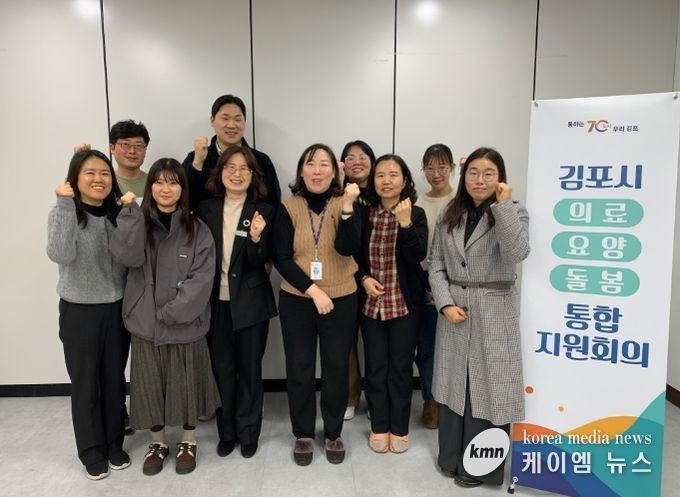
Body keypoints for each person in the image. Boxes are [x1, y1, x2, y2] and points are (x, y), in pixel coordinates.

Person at [110, 158, 221, 476]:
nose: (165, 188)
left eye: (173, 182)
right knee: (149, 386)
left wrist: (172, 312)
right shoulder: (138, 223)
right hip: (144, 321)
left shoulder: (197, 229)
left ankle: (188, 440)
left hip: (185, 322)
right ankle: (157, 442)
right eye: (159, 182)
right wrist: (130, 215)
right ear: (150, 187)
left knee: (187, 384)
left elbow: (202, 280)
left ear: (182, 189)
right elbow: (127, 257)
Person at [429, 147, 529, 488]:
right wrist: (444, 303)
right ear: (464, 176)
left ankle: (480, 468)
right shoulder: (449, 212)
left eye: (489, 173)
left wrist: (503, 206)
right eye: (473, 172)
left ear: (500, 178)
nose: (480, 179)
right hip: (455, 310)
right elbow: (436, 263)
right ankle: (450, 458)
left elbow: (518, 252)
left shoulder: (513, 211)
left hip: (495, 310)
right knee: (454, 383)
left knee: (489, 387)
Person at [272, 143, 361, 466]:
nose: (317, 170)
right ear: (301, 171)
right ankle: (304, 434)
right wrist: (314, 291)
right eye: (311, 164)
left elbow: (349, 247)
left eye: (325, 164)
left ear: (335, 172)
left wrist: (348, 206)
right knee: (300, 367)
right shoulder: (288, 208)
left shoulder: (346, 203)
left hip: (342, 298)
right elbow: (281, 257)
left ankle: (333, 432)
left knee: (336, 366)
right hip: (297, 300)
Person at [47, 149, 129, 480]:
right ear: (75, 178)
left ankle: (114, 443)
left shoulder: (117, 214)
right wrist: (65, 204)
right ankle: (91, 450)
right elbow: (60, 253)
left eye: (104, 173)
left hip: (116, 308)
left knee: (114, 380)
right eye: (90, 173)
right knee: (85, 384)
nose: (98, 179)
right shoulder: (64, 212)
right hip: (79, 311)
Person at [196, 145, 277, 459]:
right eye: (231, 167)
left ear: (253, 175)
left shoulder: (264, 211)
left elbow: (260, 261)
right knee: (223, 371)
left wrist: (256, 239)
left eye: (245, 168)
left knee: (250, 372)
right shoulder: (205, 209)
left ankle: (249, 433)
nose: (237, 174)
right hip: (216, 304)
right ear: (220, 172)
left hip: (252, 304)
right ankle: (226, 433)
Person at [355, 154, 428, 454]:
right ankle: (379, 426)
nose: (386, 180)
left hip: (404, 305)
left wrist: (405, 223)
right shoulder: (364, 214)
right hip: (371, 306)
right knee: (375, 368)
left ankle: (399, 428)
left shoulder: (416, 214)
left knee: (400, 368)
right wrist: (363, 278)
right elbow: (352, 256)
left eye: (393, 174)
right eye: (380, 175)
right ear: (373, 181)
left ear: (405, 180)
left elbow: (416, 256)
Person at [415, 144, 457, 429]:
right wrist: (429, 287)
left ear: (451, 168)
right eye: (430, 167)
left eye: (442, 166)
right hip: (425, 282)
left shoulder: (462, 200)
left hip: (460, 283)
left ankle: (455, 403)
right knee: (428, 347)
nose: (436, 173)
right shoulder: (418, 203)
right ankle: (431, 401)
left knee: (459, 349)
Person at [183, 94, 281, 211]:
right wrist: (197, 165)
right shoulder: (196, 158)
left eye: (237, 119)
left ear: (244, 122)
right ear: (212, 121)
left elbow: (273, 205)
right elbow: (184, 202)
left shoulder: (261, 160)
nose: (231, 125)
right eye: (225, 118)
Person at [339, 139, 375, 421]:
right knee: (346, 343)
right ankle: (351, 396)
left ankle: (375, 399)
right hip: (346, 278)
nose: (357, 162)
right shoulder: (337, 194)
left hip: (379, 281)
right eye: (350, 157)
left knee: (375, 345)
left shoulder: (383, 191)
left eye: (362, 156)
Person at [109, 120, 151, 197]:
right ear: (112, 148)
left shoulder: (154, 183)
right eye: (125, 145)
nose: (132, 151)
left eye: (138, 146)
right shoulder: (105, 182)